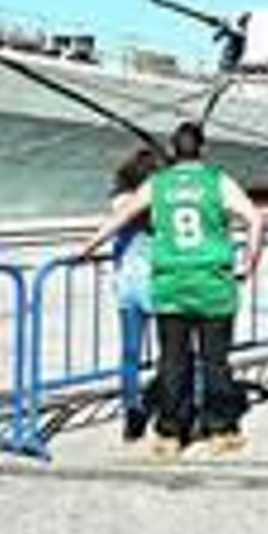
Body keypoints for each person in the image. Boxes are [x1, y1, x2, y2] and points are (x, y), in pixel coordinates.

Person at [79, 121, 264, 458]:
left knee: (172, 362)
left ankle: (169, 433)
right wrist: (250, 262)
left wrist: (88, 246)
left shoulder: (157, 184)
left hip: (170, 285)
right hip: (212, 284)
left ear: (174, 151)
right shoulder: (217, 181)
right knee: (215, 362)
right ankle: (220, 429)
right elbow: (255, 218)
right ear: (203, 150)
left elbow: (121, 217)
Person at [106, 147, 163, 442]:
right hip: (157, 284)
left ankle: (132, 412)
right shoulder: (155, 202)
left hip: (126, 285)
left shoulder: (120, 201)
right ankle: (172, 407)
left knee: (129, 353)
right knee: (173, 351)